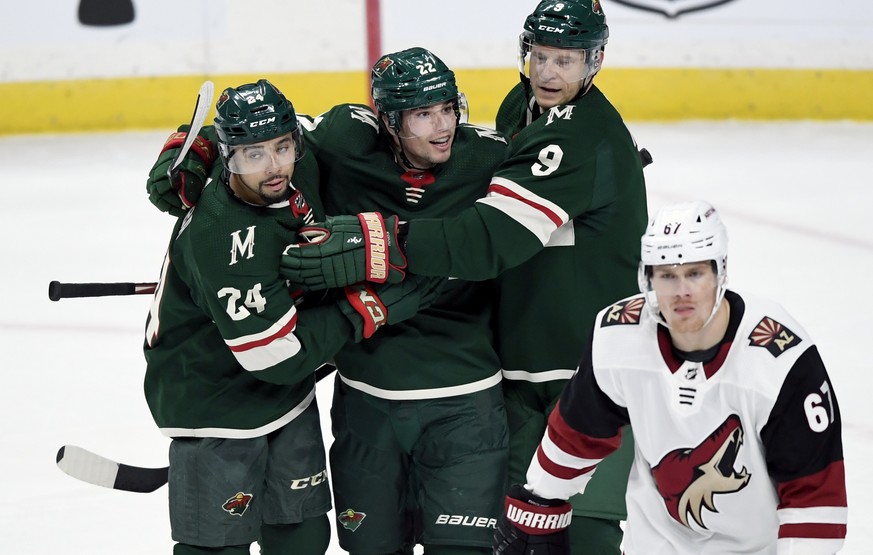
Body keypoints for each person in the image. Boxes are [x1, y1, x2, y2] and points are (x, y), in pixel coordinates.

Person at [279, 2, 647, 552]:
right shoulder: (520, 108)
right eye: (540, 56)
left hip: (582, 369)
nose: (548, 73)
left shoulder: (582, 136)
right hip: (520, 364)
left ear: (595, 62)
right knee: (524, 535)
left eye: (566, 61)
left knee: (585, 531)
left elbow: (485, 241)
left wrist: (380, 242)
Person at [145, 49, 512, 555]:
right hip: (220, 397)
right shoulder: (225, 231)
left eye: (448, 108)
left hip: (290, 403)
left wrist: (203, 146)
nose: (441, 126)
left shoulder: (308, 158)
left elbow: (271, 124)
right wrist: (369, 306)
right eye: (422, 114)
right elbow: (276, 355)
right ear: (387, 120)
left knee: (305, 537)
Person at [494, 200, 848, 555]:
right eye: (666, 275)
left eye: (694, 273)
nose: (681, 291)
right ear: (646, 278)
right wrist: (541, 500)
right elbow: (578, 433)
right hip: (656, 545)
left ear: (720, 273)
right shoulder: (619, 337)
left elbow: (815, 499)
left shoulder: (779, 361)